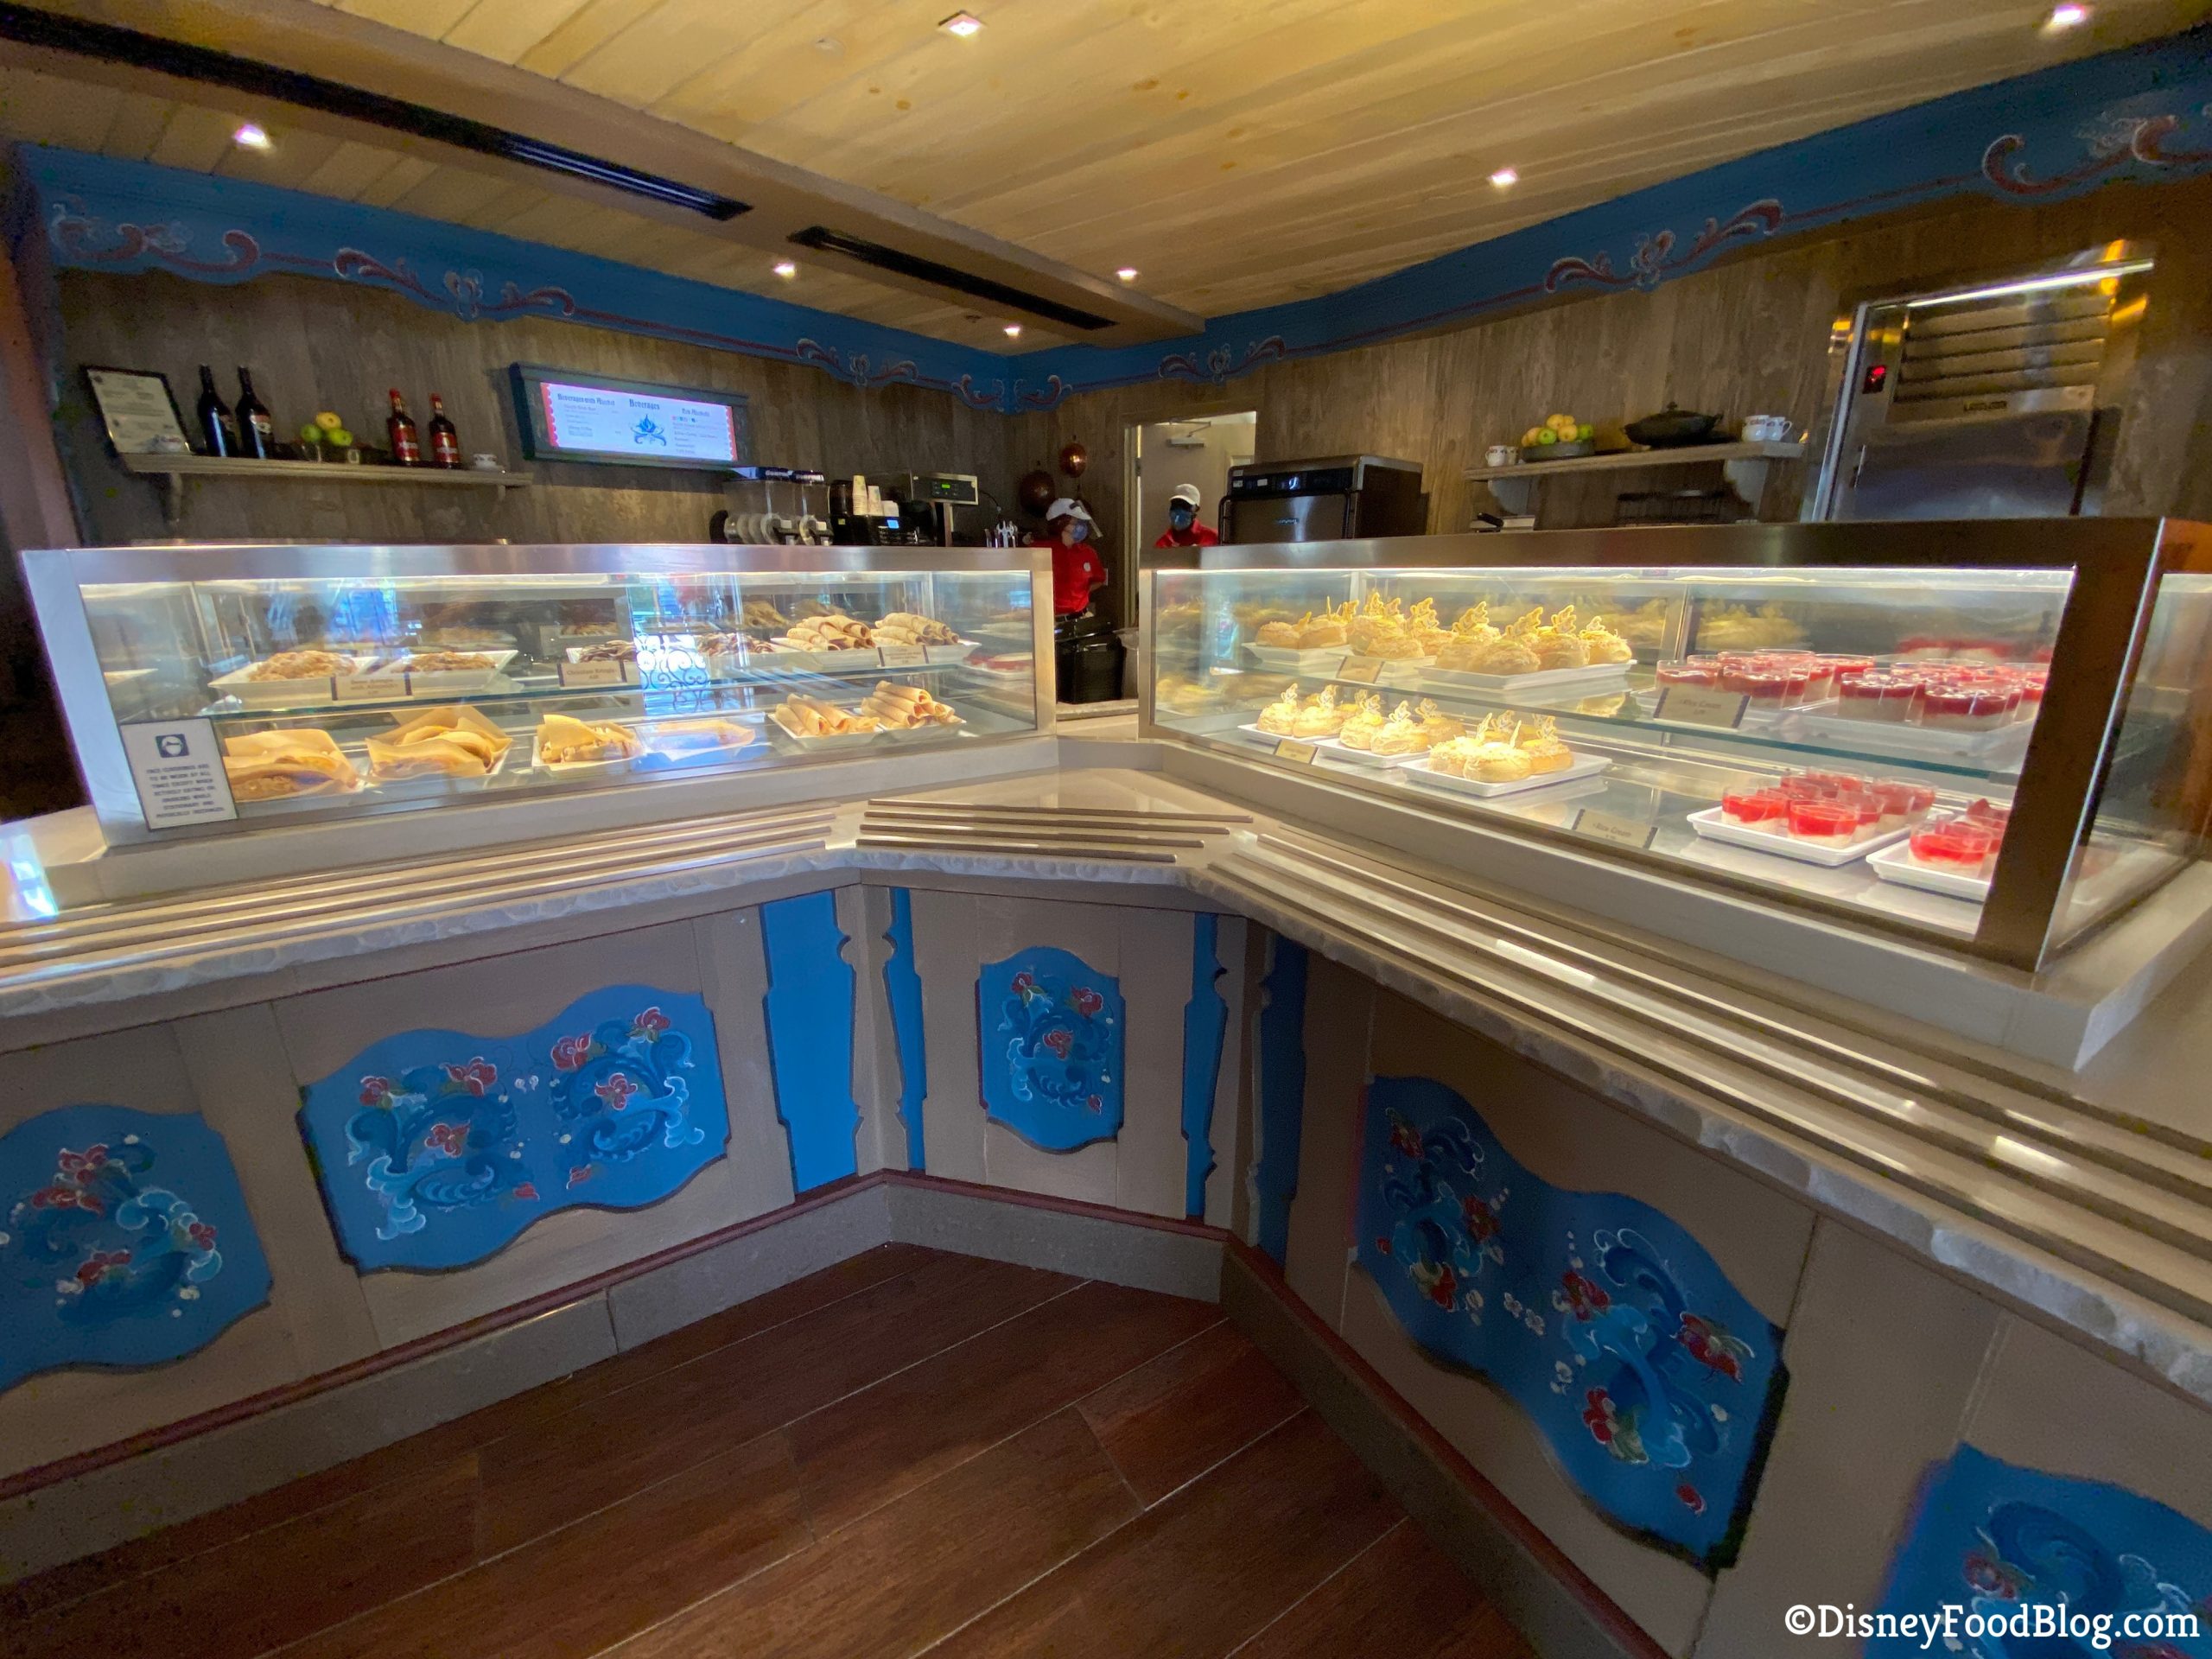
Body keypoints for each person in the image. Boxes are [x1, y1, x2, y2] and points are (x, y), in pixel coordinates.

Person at [1035, 497, 1107, 624]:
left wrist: (1080, 594)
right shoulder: (1039, 551)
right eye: (1075, 523)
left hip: (1082, 619)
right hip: (1051, 622)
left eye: (1081, 522)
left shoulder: (1088, 552)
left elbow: (1099, 579)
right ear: (1060, 524)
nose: (1081, 527)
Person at [1154, 482, 1220, 548]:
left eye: (1185, 506)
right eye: (1175, 505)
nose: (1179, 510)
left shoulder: (1213, 538)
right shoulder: (1163, 544)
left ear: (1196, 509)